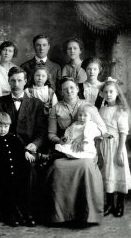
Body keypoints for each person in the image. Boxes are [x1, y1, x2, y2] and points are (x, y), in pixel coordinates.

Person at [0, 66, 46, 227]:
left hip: (26, 150)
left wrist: (35, 144)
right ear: (8, 82)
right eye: (13, 80)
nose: (16, 83)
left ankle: (27, 211)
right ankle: (1, 210)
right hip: (3, 149)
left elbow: (42, 131)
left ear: (25, 81)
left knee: (29, 170)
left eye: (19, 80)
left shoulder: (36, 104)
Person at [46, 76, 105, 225]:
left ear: (77, 89)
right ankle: (62, 215)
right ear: (61, 92)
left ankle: (85, 215)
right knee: (58, 166)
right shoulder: (56, 108)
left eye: (72, 87)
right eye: (65, 89)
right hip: (67, 149)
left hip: (85, 149)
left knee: (85, 165)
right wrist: (61, 140)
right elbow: (51, 134)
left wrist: (84, 136)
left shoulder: (87, 106)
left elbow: (102, 129)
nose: (69, 91)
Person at [99, 77, 131, 218]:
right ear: (102, 94)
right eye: (106, 92)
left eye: (111, 91)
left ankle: (120, 205)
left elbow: (123, 132)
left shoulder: (121, 110)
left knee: (118, 173)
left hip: (117, 145)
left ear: (117, 93)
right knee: (107, 173)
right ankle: (109, 204)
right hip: (105, 145)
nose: (109, 94)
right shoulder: (102, 109)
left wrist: (119, 152)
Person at [21, 34, 61, 99]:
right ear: (34, 47)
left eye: (44, 45)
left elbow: (59, 90)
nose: (41, 48)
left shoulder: (56, 67)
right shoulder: (25, 66)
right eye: (38, 45)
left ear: (48, 47)